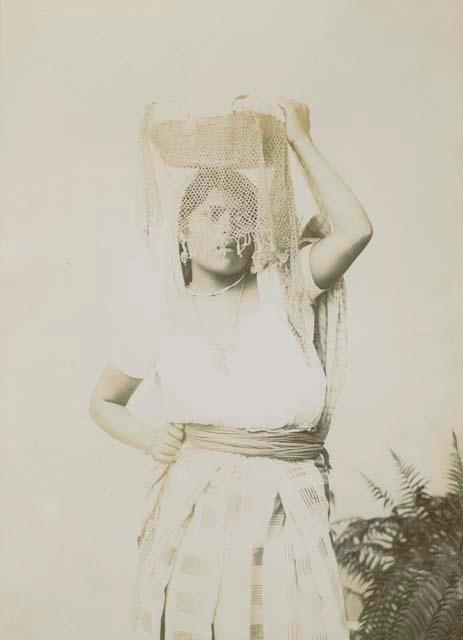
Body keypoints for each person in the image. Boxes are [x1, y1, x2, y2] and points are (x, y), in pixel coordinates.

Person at [89, 96, 373, 639]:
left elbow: (355, 231)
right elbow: (102, 401)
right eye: (213, 214)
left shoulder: (285, 290)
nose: (229, 230)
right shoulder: (161, 314)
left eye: (243, 216)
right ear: (184, 228)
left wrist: (301, 141)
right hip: (193, 514)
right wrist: (152, 439)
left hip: (286, 509)